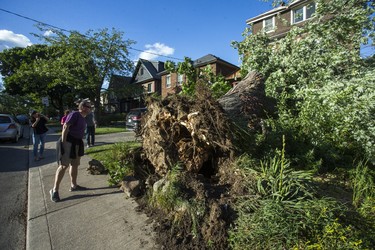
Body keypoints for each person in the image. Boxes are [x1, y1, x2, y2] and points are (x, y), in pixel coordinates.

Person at [50, 99, 93, 202]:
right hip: (68, 142)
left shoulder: (83, 118)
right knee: (64, 165)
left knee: (74, 165)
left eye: (91, 107)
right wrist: (63, 144)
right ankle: (54, 190)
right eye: (88, 106)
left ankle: (74, 185)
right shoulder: (75, 114)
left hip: (77, 143)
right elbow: (65, 126)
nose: (90, 108)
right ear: (82, 107)